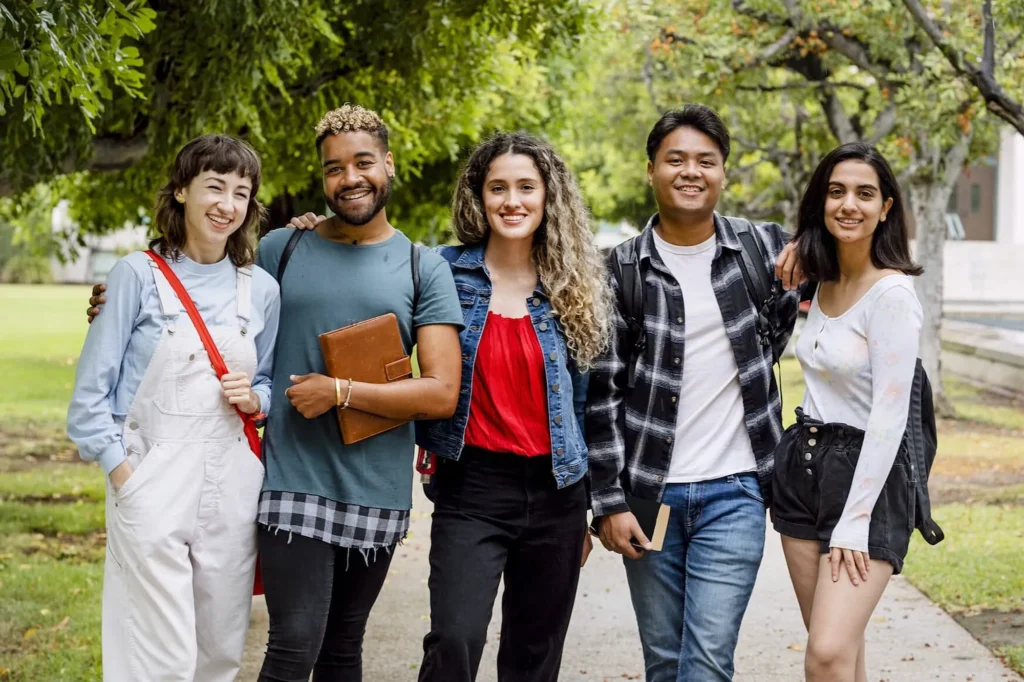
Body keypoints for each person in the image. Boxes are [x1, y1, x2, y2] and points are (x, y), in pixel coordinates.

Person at [88, 104, 465, 682]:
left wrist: (340, 390)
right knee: (293, 644)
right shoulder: (281, 250)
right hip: (290, 478)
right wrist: (112, 300)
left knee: (343, 648)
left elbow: (441, 392)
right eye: (334, 168)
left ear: (388, 164)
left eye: (363, 162)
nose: (350, 178)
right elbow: (192, 279)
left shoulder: (422, 267)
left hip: (378, 484)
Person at [289, 131, 612, 681]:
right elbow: (365, 287)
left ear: (548, 196)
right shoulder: (440, 269)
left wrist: (593, 504)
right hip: (473, 487)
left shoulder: (575, 284)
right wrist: (318, 234)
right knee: (455, 641)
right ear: (478, 197)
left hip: (558, 492)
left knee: (535, 654)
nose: (512, 201)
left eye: (527, 187)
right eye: (498, 188)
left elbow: (590, 404)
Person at [584, 105, 802, 682]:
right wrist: (607, 502)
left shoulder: (762, 250)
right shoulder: (619, 270)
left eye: (706, 160)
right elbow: (603, 396)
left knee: (705, 663)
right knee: (662, 663)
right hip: (650, 496)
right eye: (675, 159)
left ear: (723, 173)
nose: (691, 171)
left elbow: (783, 327)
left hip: (736, 494)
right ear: (650, 169)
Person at [68, 134, 280, 682]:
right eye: (214, 186)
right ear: (182, 191)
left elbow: (269, 382)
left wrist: (256, 398)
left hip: (231, 476)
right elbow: (90, 398)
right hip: (152, 474)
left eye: (240, 192)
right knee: (157, 653)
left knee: (220, 647)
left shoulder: (260, 290)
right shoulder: (135, 276)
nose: (226, 204)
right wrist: (125, 474)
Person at [772, 142, 924, 682]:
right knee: (842, 654)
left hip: (865, 481)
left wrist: (855, 521)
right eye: (836, 192)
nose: (848, 205)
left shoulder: (892, 296)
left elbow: (890, 417)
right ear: (820, 202)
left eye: (865, 194)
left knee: (827, 653)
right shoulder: (823, 278)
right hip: (803, 469)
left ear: (886, 207)